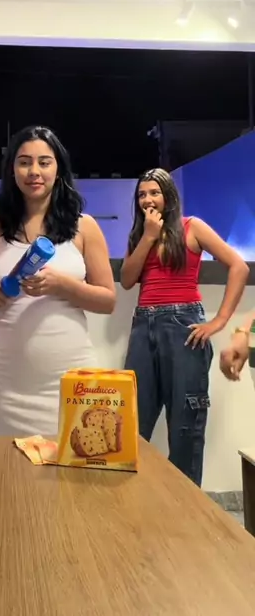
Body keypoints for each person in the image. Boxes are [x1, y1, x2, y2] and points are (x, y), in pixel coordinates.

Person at [0, 125, 116, 437]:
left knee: (73, 464)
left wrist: (62, 285)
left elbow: (108, 300)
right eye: (24, 162)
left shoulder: (84, 227)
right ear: (12, 170)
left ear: (58, 169)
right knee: (13, 466)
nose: (34, 171)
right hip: (7, 383)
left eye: (44, 162)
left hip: (72, 378)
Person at [122, 167, 248, 487]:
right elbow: (127, 280)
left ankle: (184, 506)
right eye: (142, 194)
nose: (148, 199)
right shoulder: (139, 234)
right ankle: (130, 501)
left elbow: (238, 267)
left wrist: (219, 321)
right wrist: (148, 237)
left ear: (168, 195)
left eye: (154, 192)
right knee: (132, 421)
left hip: (183, 327)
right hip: (143, 326)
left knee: (185, 427)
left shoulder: (192, 227)